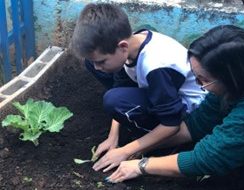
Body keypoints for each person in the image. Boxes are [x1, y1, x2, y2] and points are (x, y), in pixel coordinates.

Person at [105, 25, 244, 190]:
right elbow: (195, 126)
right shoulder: (233, 86)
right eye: (196, 76)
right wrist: (138, 149)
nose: (200, 86)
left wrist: (141, 165)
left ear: (233, 77)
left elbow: (207, 159)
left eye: (204, 80)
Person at [70, 3, 206, 173]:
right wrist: (113, 137)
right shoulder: (134, 42)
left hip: (188, 113)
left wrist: (127, 150)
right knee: (110, 89)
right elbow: (120, 86)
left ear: (122, 47)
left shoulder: (156, 66)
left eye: (102, 61)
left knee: (114, 100)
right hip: (166, 93)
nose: (98, 67)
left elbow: (172, 124)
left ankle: (163, 146)